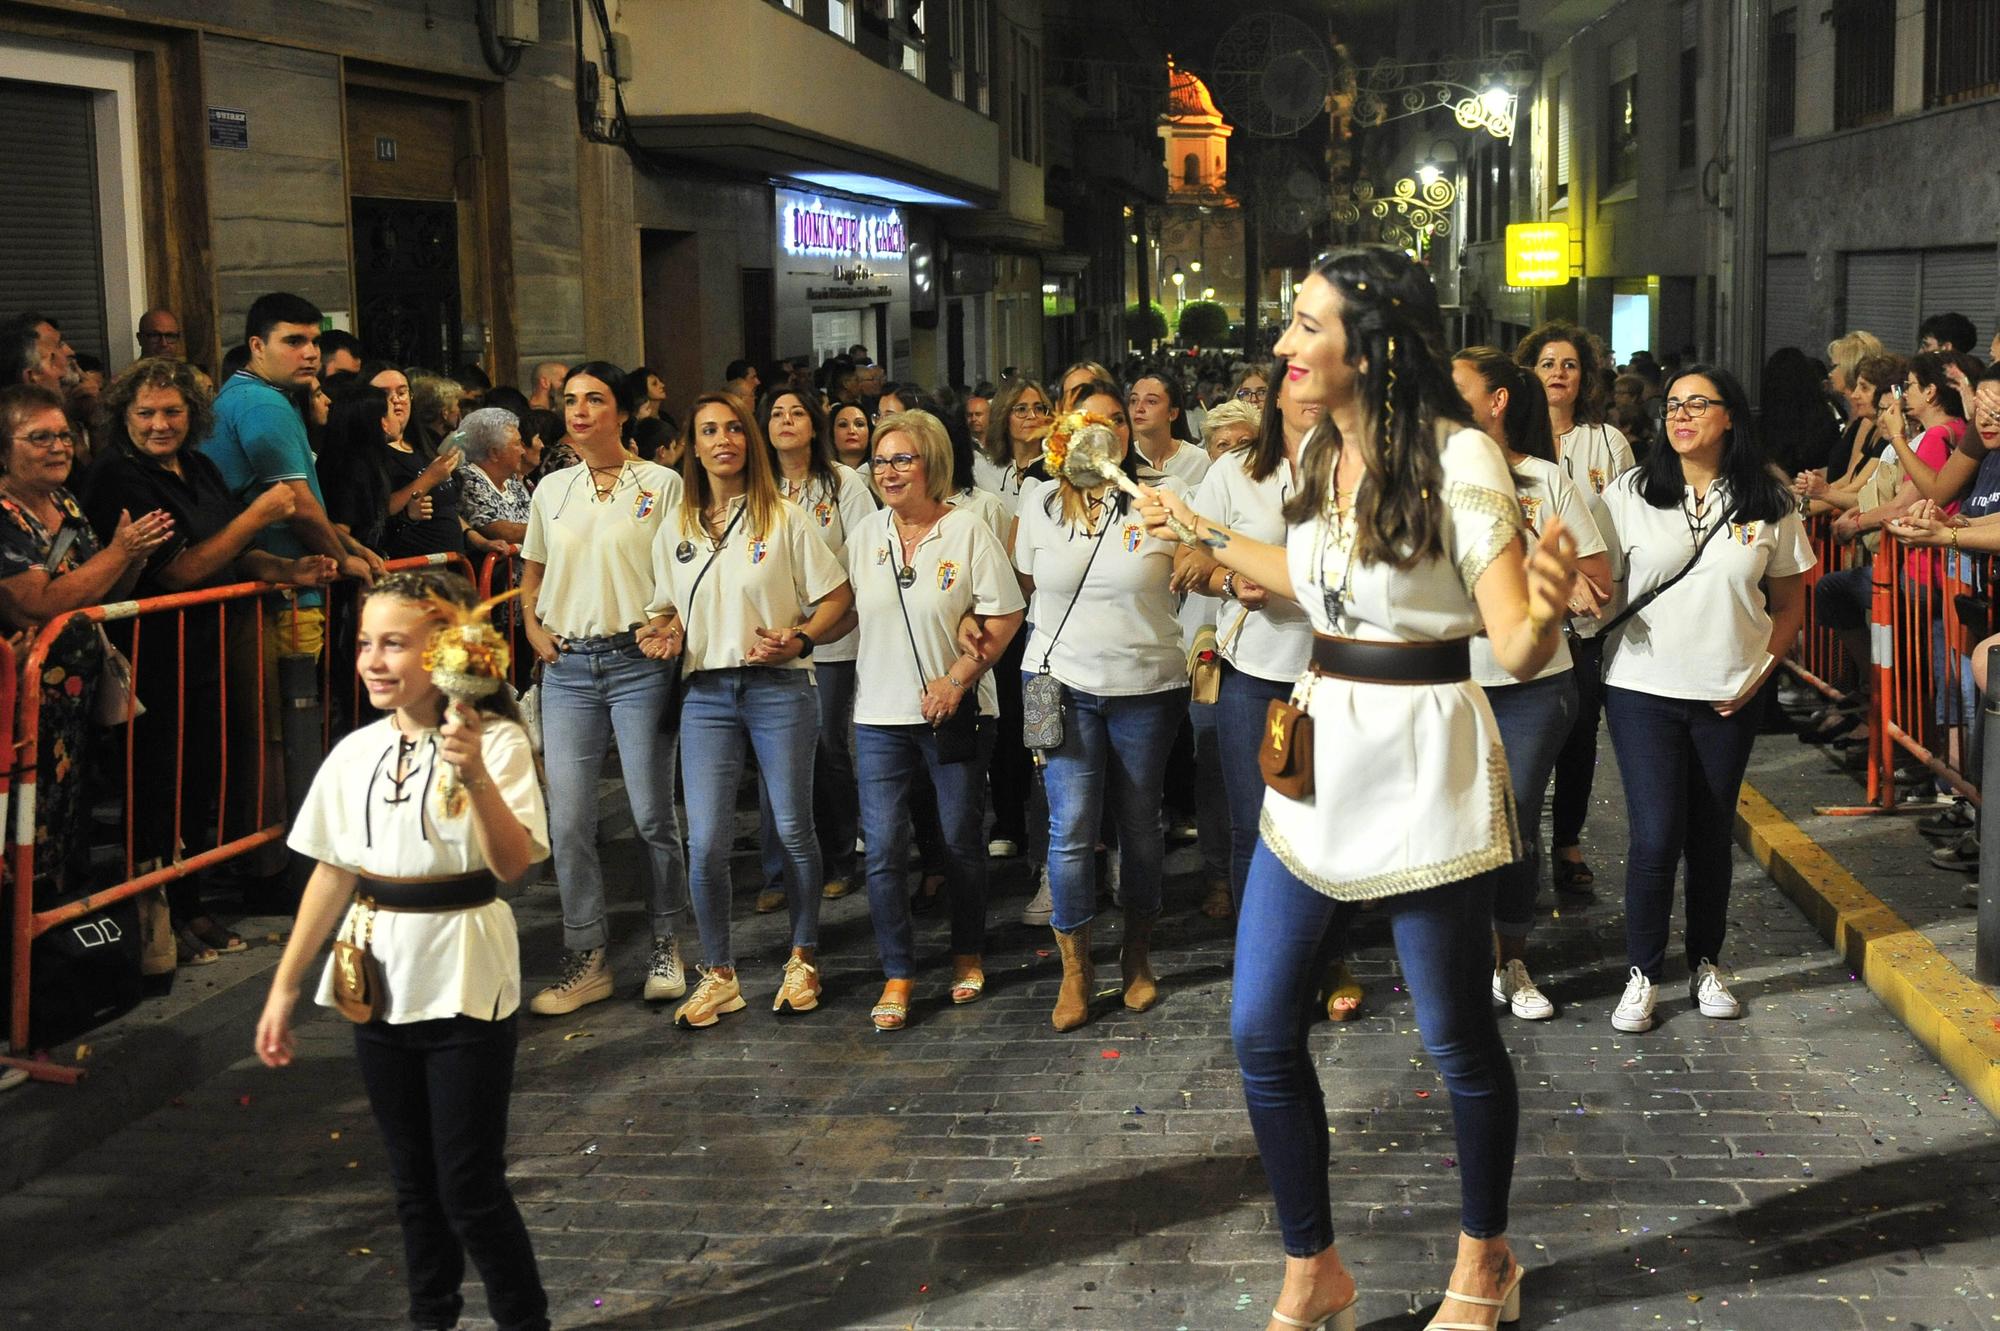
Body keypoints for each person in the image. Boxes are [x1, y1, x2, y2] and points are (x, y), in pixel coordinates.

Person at [1140, 246, 1577, 1331]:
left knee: (1451, 1035)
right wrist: (1201, 534)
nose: (1281, 345)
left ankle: (1485, 1258)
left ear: (1367, 344)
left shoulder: (1459, 455)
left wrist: (1553, 601)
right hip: (1319, 749)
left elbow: (1513, 638)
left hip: (1424, 756)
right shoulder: (1321, 453)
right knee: (1256, 1027)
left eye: (1303, 325)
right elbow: (1317, 580)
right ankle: (1311, 1267)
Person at [253, 568, 552, 1331]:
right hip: (377, 972)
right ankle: (432, 1317)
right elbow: (333, 868)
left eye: (394, 643)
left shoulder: (501, 743)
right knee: (412, 1181)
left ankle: (525, 1320)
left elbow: (514, 863)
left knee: (468, 1183)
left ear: (447, 648)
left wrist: (474, 771)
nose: (373, 660)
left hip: (462, 968)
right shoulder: (355, 752)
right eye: (364, 643)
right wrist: (286, 986)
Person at [82, 358, 338, 960]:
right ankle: (156, 923)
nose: (159, 424)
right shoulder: (118, 477)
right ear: (124, 416)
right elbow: (180, 571)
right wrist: (258, 515)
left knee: (199, 781)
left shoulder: (196, 466)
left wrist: (286, 567)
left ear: (193, 415)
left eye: (171, 411)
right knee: (155, 787)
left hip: (205, 649)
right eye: (145, 413)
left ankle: (193, 908)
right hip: (150, 657)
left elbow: (234, 552)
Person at [1599, 366, 1812, 1033]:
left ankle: (1707, 960)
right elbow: (1599, 580)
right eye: (1673, 405)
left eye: (1699, 403)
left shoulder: (1768, 498)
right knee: (1657, 832)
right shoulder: (1630, 492)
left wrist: (1761, 673)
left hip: (1730, 690)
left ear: (1729, 417)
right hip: (1641, 687)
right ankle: (1642, 971)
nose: (1682, 414)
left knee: (1711, 833)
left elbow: (1789, 602)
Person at [640, 392, 854, 1029]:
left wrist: (802, 639)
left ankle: (802, 956)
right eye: (709, 430)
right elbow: (663, 608)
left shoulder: (783, 517)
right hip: (706, 693)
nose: (723, 440)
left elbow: (837, 597)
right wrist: (664, 632)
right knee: (704, 842)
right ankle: (720, 974)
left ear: (749, 441)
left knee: (792, 829)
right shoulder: (675, 526)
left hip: (780, 687)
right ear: (693, 445)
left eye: (734, 429)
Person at [1013, 381, 1188, 1030]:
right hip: (1059, 686)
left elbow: (1191, 572)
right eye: (1093, 421)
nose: (1107, 431)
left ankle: (1136, 953)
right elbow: (1032, 583)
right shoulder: (1038, 503)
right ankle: (1076, 969)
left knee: (1141, 825)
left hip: (1147, 686)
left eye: (1118, 420)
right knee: (1071, 825)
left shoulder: (1160, 500)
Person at [519, 362, 691, 1016]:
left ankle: (667, 938)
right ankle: (585, 954)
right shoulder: (551, 489)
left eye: (594, 399)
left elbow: (684, 566)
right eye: (571, 400)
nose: (580, 410)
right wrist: (533, 627)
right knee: (568, 819)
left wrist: (671, 619)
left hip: (638, 660)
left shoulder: (662, 484)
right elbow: (531, 571)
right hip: (567, 665)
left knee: (651, 813)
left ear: (622, 411)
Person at [849, 410, 1023, 1029]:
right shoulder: (866, 532)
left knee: (959, 840)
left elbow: (1003, 618)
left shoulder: (969, 531)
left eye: (903, 459)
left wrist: (956, 680)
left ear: (932, 465)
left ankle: (967, 951)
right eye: (881, 459)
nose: (889, 471)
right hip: (878, 715)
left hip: (956, 713)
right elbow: (847, 609)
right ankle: (898, 970)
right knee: (884, 849)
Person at [1451, 348, 1612, 1022]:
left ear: (1496, 403)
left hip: (1533, 685)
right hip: (1447, 679)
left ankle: (1510, 955)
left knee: (1512, 812)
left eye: (1457, 389)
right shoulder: (1424, 479)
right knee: (1452, 821)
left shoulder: (1547, 480)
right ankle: (1455, 956)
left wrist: (1566, 579)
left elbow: (1600, 579)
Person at [0, 385, 175, 900]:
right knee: (24, 827)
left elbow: (104, 589)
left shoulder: (66, 501)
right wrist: (118, 552)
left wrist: (133, 558)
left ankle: (59, 935)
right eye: (39, 438)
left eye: (63, 436)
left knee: (69, 821)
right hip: (20, 706)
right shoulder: (5, 516)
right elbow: (35, 604)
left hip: (77, 702)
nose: (58, 448)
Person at [1517, 320, 1633, 896]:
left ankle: (1568, 840)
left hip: (1587, 617)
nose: (1558, 374)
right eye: (1547, 363)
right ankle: (1519, 848)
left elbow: (1624, 524)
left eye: (1569, 365)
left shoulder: (1606, 442)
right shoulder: (1506, 442)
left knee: (1580, 733)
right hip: (1517, 616)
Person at [754, 387, 876, 911]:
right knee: (772, 754)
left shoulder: (842, 482)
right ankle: (777, 871)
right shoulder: (757, 485)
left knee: (828, 747)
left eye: (797, 412)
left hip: (830, 632)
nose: (786, 421)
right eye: (777, 414)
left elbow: (862, 552)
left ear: (814, 423)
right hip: (770, 635)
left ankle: (841, 856)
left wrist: (820, 613)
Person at [371, 363, 467, 560]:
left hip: (449, 565)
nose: (395, 400)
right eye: (384, 393)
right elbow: (377, 509)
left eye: (402, 392)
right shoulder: (372, 452)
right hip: (409, 566)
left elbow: (445, 507)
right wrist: (429, 478)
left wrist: (475, 537)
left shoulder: (422, 444)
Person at [458, 407, 532, 547]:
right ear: (494, 453)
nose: (523, 451)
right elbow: (503, 532)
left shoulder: (512, 481)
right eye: (517, 444)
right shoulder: (469, 480)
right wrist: (554, 529)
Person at [1129, 371, 1211, 487]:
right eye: (1133, 401)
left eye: (1151, 401)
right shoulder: (1123, 460)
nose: (1139, 408)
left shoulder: (1200, 461)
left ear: (1172, 413)